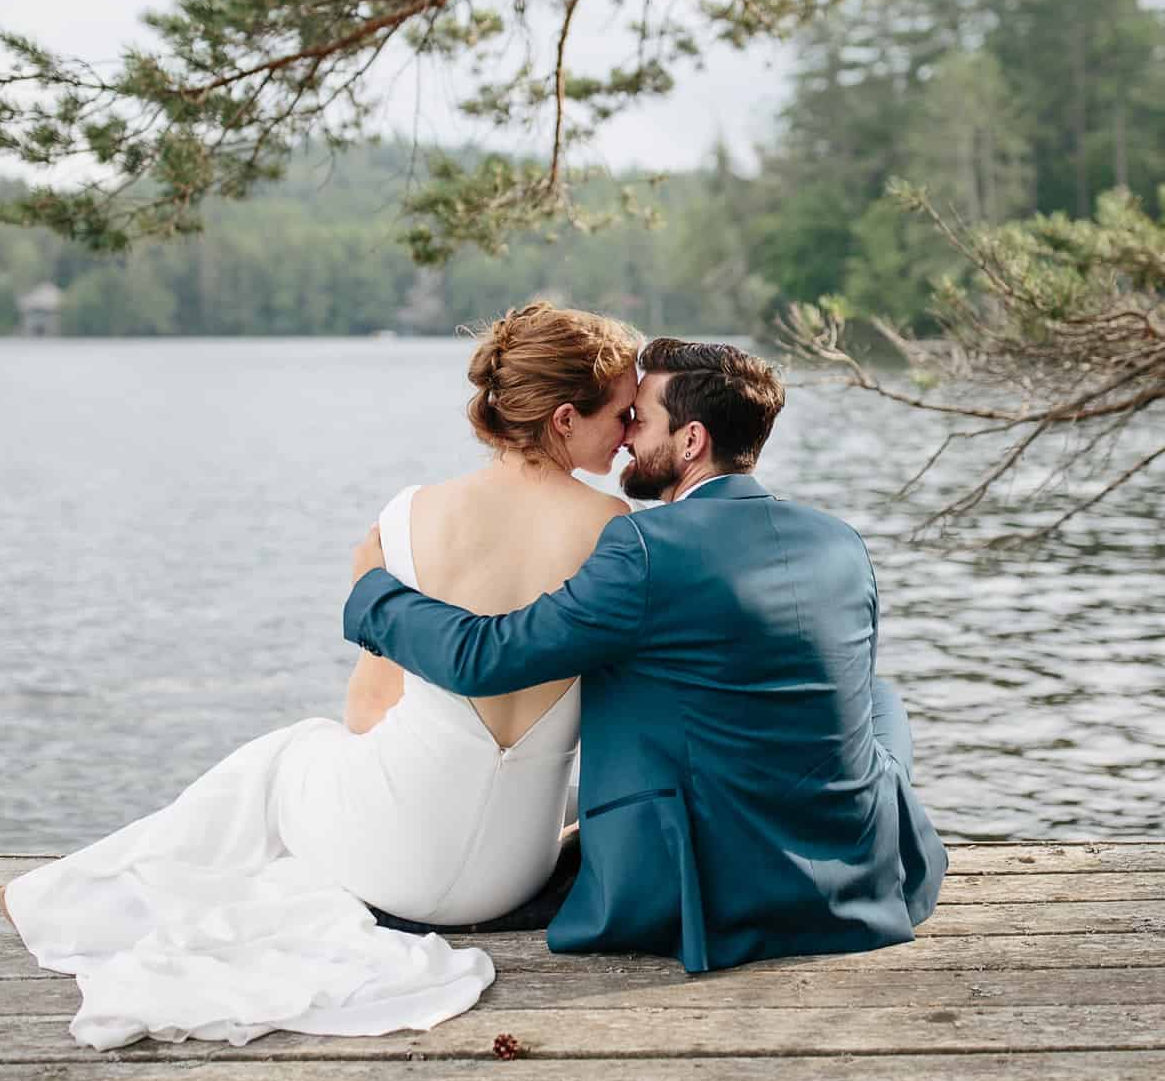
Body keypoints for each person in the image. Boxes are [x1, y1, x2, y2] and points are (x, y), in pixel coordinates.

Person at [0, 302, 640, 1049]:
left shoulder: (411, 516)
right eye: (623, 414)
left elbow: (368, 710)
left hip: (399, 865)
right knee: (311, 766)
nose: (629, 433)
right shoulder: (616, 531)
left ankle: (71, 894)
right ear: (565, 419)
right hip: (515, 873)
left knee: (288, 754)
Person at [345, 338, 947, 973]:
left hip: (711, 898)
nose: (626, 433)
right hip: (865, 876)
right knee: (876, 697)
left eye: (641, 418)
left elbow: (485, 658)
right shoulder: (840, 541)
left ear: (690, 442)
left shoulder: (644, 546)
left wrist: (373, 594)